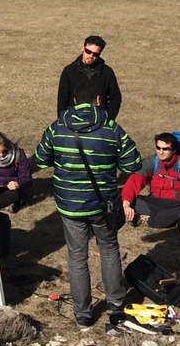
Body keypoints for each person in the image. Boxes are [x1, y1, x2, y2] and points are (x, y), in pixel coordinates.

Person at [33, 93, 144, 332]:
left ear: (73, 100)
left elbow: (41, 159)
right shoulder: (112, 128)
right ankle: (115, 303)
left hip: (70, 204)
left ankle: (83, 314)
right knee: (109, 248)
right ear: (97, 99)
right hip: (103, 203)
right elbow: (133, 164)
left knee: (76, 255)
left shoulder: (58, 128)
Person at [121, 133, 180, 230]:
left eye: (165, 149)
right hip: (156, 202)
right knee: (125, 198)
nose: (160, 152)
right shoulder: (153, 161)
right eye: (158, 148)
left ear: (174, 150)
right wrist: (126, 203)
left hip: (176, 204)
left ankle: (149, 220)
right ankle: (174, 220)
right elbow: (136, 179)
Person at [57, 35, 122, 119]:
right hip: (74, 120)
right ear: (82, 49)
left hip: (99, 122)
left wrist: (109, 119)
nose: (91, 56)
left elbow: (115, 98)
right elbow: (62, 100)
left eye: (95, 54)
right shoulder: (69, 71)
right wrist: (62, 121)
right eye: (88, 51)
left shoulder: (107, 72)